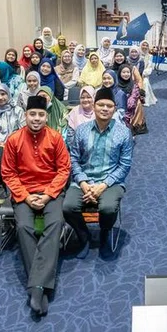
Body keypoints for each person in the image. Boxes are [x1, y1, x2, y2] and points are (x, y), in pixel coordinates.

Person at [1, 95, 72, 316]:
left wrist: (49, 194)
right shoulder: (13, 140)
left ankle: (35, 287)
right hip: (24, 193)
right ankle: (40, 287)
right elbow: (8, 173)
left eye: (41, 115)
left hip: (50, 192)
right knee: (23, 227)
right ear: (25, 115)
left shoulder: (55, 138)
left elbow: (63, 170)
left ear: (46, 116)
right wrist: (24, 195)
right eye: (32, 114)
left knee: (55, 223)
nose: (37, 118)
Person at [63, 86, 134, 260]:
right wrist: (84, 183)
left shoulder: (123, 132)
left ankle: (104, 234)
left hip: (110, 182)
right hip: (83, 181)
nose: (104, 109)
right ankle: (84, 236)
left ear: (114, 109)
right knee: (67, 207)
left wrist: (102, 186)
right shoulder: (82, 130)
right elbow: (73, 159)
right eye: (100, 105)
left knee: (108, 208)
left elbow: (124, 166)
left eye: (109, 106)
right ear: (94, 107)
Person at [115, 63, 144, 132]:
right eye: (123, 72)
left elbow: (132, 100)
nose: (126, 74)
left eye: (128, 72)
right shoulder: (116, 85)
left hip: (130, 109)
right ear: (119, 73)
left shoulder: (134, 85)